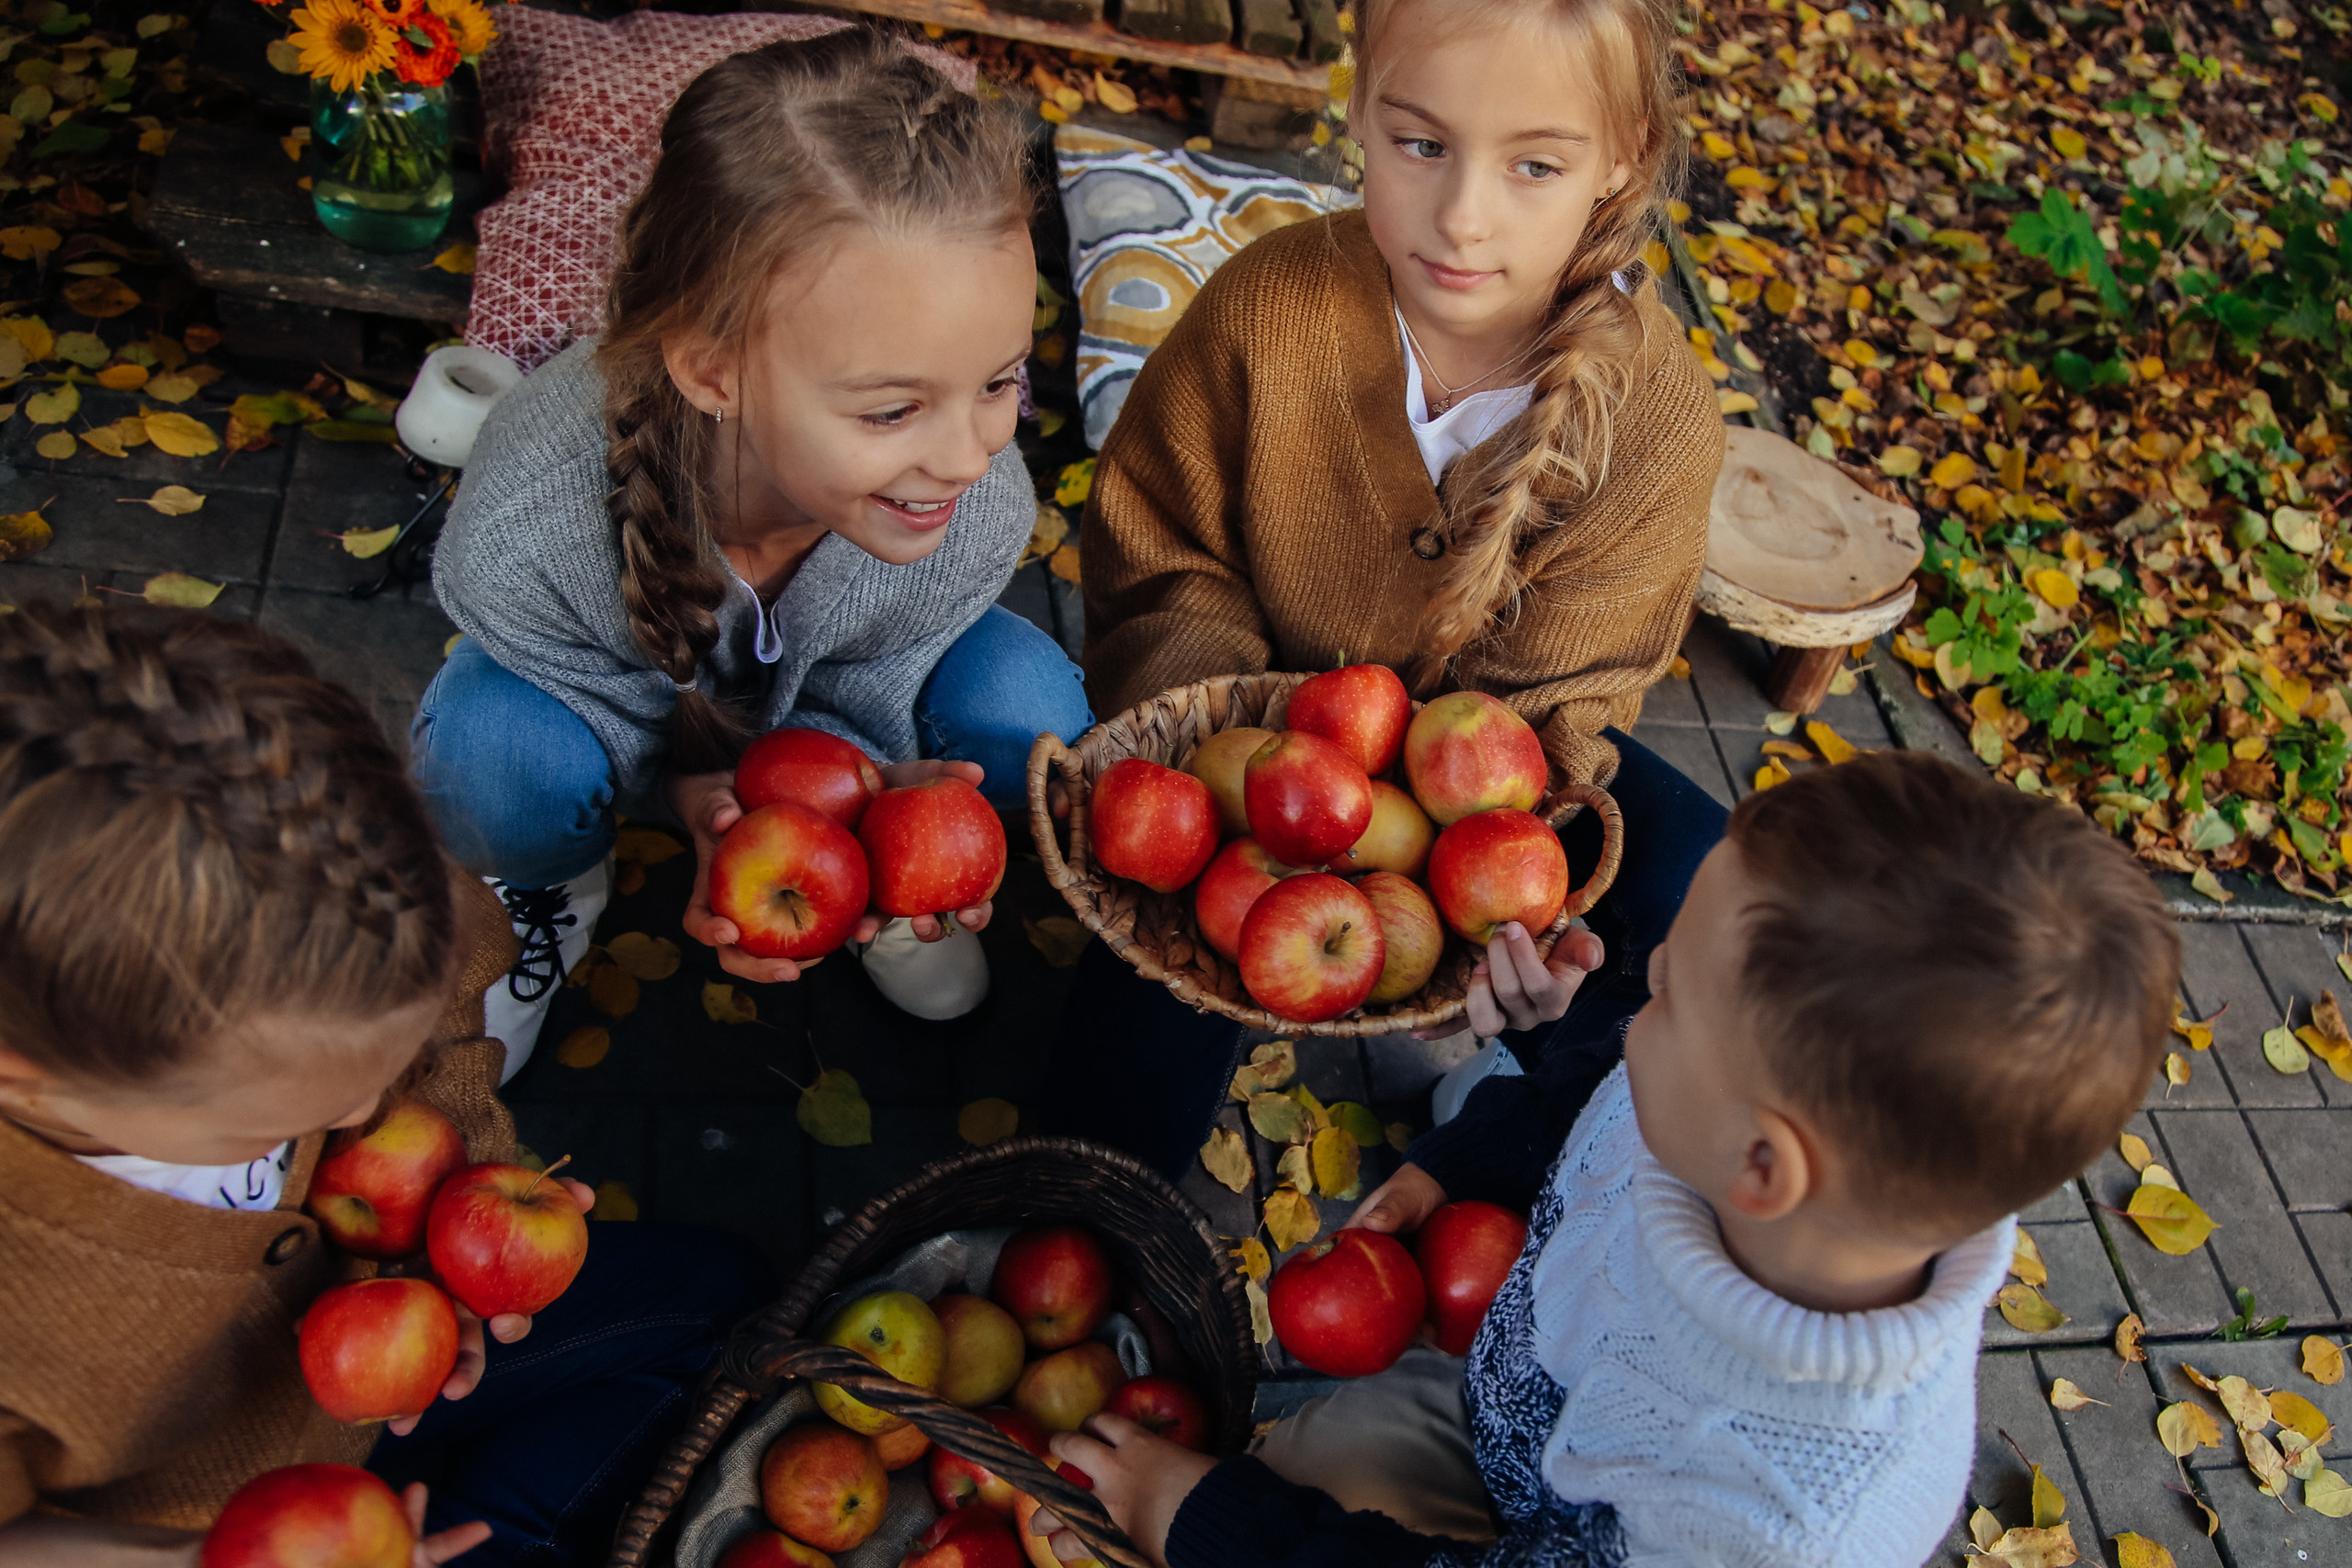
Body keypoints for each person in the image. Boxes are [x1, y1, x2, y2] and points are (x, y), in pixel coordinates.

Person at [1039, 751, 2181, 1567]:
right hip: (1518, 1392)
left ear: (1762, 1168)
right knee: (1294, 1459)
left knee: (1246, 1508)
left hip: (1568, 1527)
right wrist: (1475, 1144)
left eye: (1666, 995)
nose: (1636, 1003)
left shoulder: (1770, 1527)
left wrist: (1211, 1524)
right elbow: (1599, 1091)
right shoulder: (1767, 1145)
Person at [1048, 0, 1723, 1178]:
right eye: (1420, 144)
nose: (1463, 217)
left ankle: (1507, 1109)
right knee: (1143, 1007)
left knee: (1698, 894)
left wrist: (1490, 892)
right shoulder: (1268, 309)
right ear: (1357, 112)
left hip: (1486, 783)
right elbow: (1162, 553)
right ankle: (1095, 1197)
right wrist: (1247, 778)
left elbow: (1566, 693)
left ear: (1623, 157)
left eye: (1534, 166)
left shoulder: (1655, 422)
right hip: (1244, 749)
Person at [0, 603, 772, 1567]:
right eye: (289, 1117)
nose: (364, 1115)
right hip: (215, 1511)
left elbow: (442, 1029)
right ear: (27, 1079)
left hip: (390, 1360)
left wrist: (458, 1201)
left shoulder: (338, 891)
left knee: (726, 1303)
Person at [423, 28, 1091, 1071]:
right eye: (892, 408)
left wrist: (856, 807)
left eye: (999, 381)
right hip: (601, 691)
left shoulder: (976, 504)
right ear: (713, 370)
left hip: (825, 743)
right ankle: (551, 882)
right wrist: (688, 790)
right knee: (496, 761)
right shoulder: (532, 519)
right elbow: (588, 677)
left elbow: (880, 664)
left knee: (1034, 712)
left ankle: (884, 887)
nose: (970, 455)